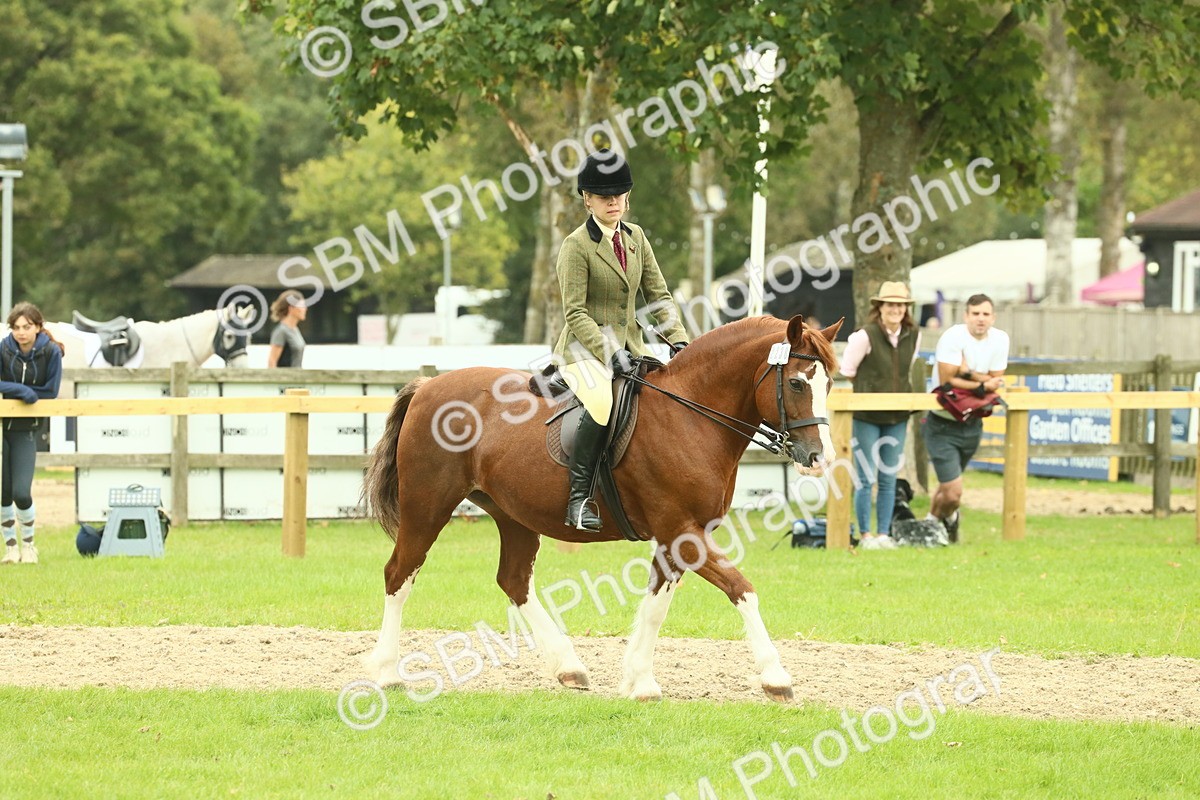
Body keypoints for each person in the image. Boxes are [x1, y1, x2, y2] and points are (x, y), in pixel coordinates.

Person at [554, 148, 689, 531]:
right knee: (601, 403)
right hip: (583, 351)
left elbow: (658, 296)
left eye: (618, 193)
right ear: (588, 199)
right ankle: (579, 500)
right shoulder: (575, 246)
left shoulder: (636, 238)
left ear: (627, 195)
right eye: (603, 195)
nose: (612, 201)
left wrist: (678, 341)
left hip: (634, 349)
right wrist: (609, 353)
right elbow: (575, 313)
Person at [919, 293, 1009, 542]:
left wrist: (967, 373)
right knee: (953, 493)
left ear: (993, 317)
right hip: (941, 421)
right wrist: (982, 380)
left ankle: (932, 525)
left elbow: (996, 380)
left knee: (948, 487)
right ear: (966, 316)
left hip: (972, 422)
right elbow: (948, 380)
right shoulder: (953, 336)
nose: (980, 319)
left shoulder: (1000, 339)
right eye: (976, 313)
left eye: (985, 314)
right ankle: (949, 519)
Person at [838, 282, 921, 550]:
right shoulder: (865, 335)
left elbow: (908, 368)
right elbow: (848, 369)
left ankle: (884, 534)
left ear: (906, 309)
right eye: (890, 304)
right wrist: (870, 388)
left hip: (898, 415)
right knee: (865, 477)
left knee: (888, 476)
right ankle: (865, 535)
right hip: (866, 415)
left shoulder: (913, 334)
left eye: (900, 305)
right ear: (880, 308)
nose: (895, 309)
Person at [0, 302, 64, 565]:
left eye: (26, 327)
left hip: (27, 428)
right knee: (3, 493)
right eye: (16, 327)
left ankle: (29, 546)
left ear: (38, 327)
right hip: (3, 425)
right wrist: (20, 391)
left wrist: (27, 395)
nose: (21, 332)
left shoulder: (51, 352)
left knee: (21, 492)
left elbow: (51, 391)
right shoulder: (4, 348)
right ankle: (11, 548)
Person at [267, 290, 306, 368]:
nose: (305, 309)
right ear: (291, 308)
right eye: (302, 306)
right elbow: (272, 361)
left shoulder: (295, 330)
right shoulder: (281, 331)